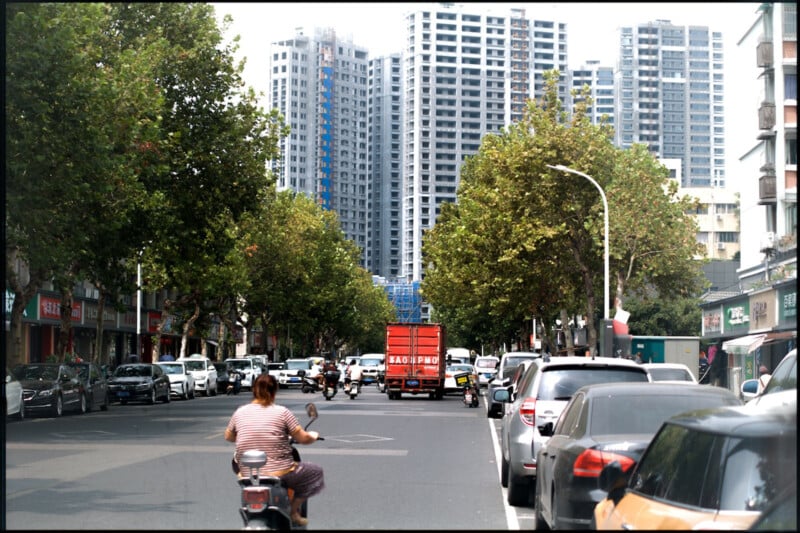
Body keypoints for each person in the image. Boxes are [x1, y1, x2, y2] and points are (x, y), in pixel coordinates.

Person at [225, 374, 324, 526]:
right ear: (274, 391)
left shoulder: (240, 412)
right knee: (315, 472)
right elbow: (303, 438)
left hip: (247, 473)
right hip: (279, 472)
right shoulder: (282, 412)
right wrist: (313, 435)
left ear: (254, 390)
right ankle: (294, 511)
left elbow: (229, 436)